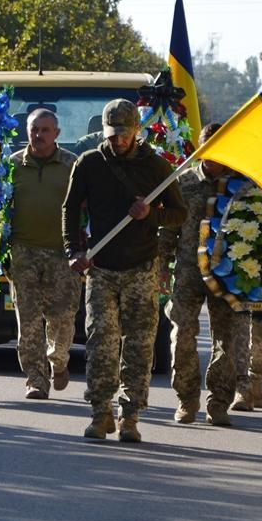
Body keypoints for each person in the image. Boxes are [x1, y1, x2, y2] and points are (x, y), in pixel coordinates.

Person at [62, 98, 187, 443]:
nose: (118, 141)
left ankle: (130, 416)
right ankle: (100, 413)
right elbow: (70, 209)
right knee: (100, 341)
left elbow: (180, 212)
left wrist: (153, 215)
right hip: (100, 268)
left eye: (124, 134)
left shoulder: (156, 167)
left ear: (136, 130)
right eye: (112, 134)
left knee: (139, 344)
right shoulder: (89, 163)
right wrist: (75, 250)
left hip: (141, 268)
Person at [159, 122, 238, 426]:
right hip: (188, 272)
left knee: (226, 340)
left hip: (227, 274)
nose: (212, 153)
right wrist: (161, 266)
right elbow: (168, 228)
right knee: (181, 336)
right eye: (207, 146)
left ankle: (218, 402)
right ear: (199, 147)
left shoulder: (239, 185)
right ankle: (186, 399)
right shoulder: (184, 183)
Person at [6, 108, 81, 399]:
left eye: (45, 130)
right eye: (34, 129)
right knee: (29, 322)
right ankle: (36, 379)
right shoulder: (12, 165)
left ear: (57, 134)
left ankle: (59, 360)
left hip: (63, 254)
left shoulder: (72, 165)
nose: (38, 135)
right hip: (23, 253)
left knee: (62, 319)